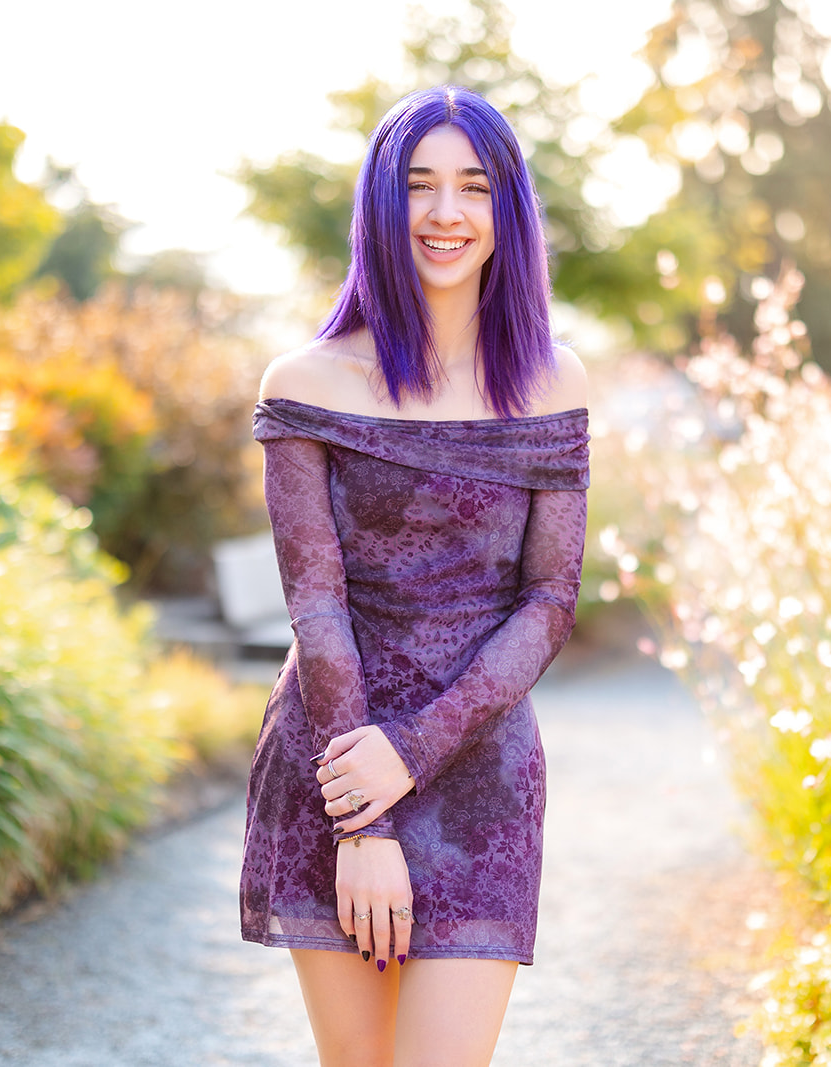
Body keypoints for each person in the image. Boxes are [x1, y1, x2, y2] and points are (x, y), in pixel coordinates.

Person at [239, 84, 589, 1067]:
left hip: (480, 764)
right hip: (336, 757)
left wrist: (414, 752)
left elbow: (547, 600)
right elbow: (317, 603)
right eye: (418, 186)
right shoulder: (306, 381)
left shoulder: (554, 384)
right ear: (379, 208)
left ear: (505, 211)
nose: (444, 212)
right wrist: (365, 815)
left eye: (473, 187)